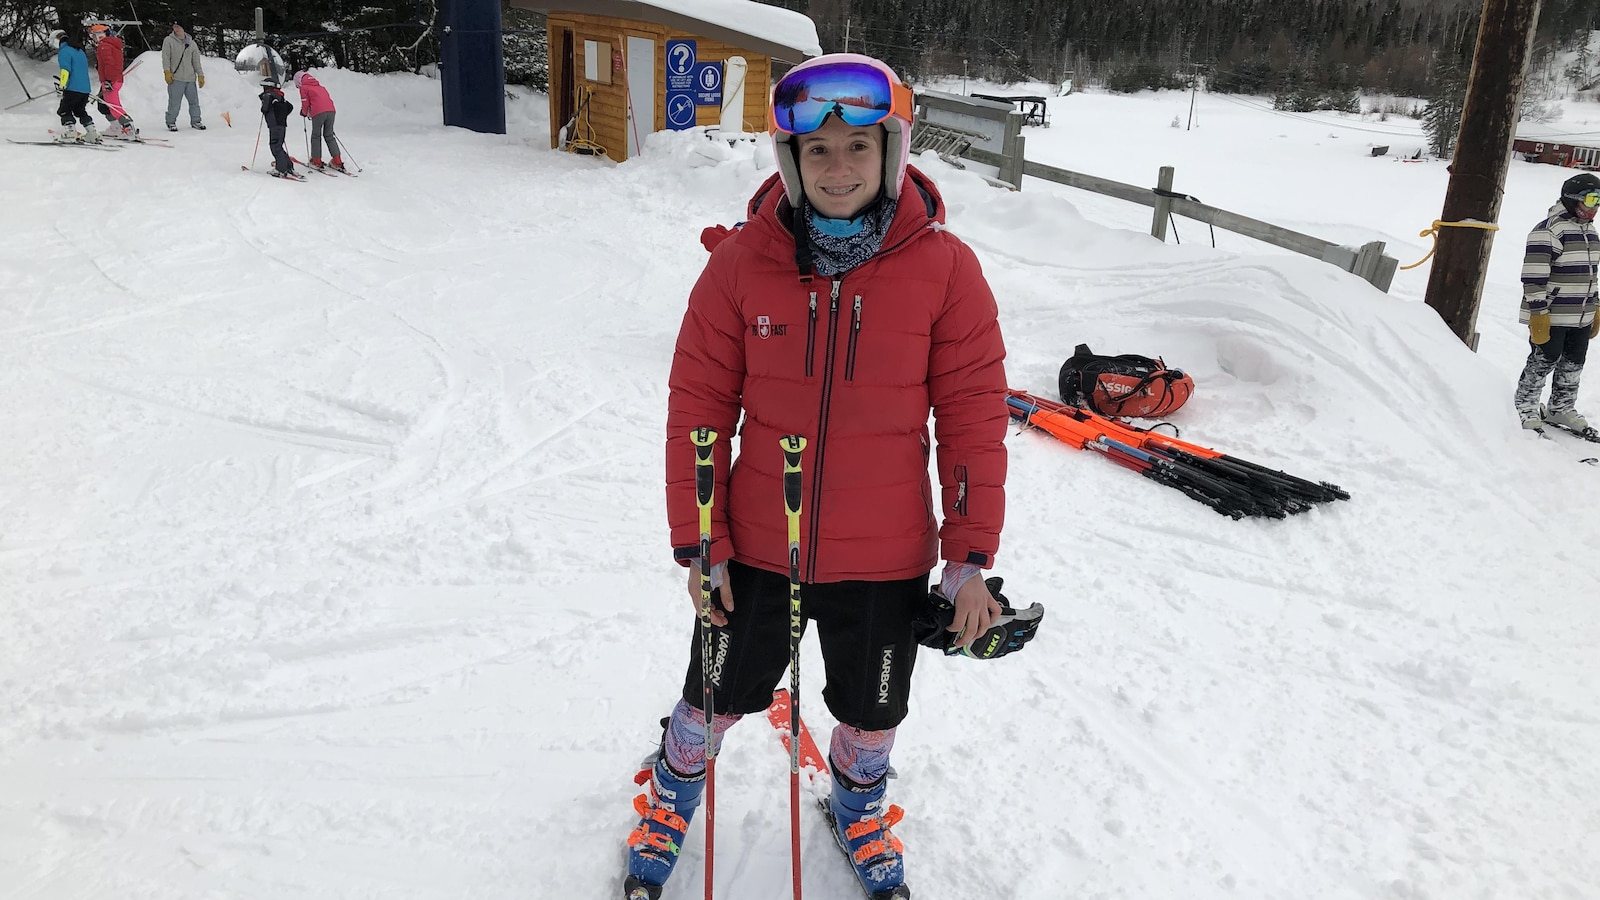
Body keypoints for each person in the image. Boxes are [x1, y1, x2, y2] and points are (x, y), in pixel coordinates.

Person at [624, 53, 1010, 900]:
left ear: (893, 152)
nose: (840, 169)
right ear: (790, 162)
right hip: (762, 543)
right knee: (714, 695)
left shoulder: (946, 271)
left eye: (859, 148)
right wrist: (701, 542)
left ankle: (859, 804)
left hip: (886, 556)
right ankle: (674, 789)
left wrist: (969, 555)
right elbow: (697, 409)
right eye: (819, 152)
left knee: (873, 714)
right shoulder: (739, 266)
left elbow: (975, 417)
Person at [1516, 172, 1600, 434]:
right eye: (1590, 199)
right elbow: (1533, 277)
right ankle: (1526, 404)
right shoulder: (1548, 230)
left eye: (1599, 200)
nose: (1595, 206)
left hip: (1581, 314)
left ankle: (1560, 408)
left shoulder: (1591, 232)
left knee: (1574, 361)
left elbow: (1591, 274)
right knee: (1544, 359)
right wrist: (1538, 312)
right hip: (1551, 314)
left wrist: (1596, 306)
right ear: (1572, 199)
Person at [88, 23, 136, 137]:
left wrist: (108, 80)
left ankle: (128, 127)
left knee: (113, 106)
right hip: (112, 79)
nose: (93, 39)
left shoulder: (105, 46)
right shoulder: (110, 44)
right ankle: (115, 127)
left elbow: (109, 63)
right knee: (102, 104)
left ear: (100, 35)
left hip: (110, 80)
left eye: (94, 36)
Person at [293, 69, 345, 171]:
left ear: (299, 81)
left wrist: (304, 112)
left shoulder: (304, 88)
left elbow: (305, 103)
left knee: (316, 136)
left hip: (318, 113)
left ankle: (316, 161)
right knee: (329, 135)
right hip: (331, 111)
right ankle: (337, 161)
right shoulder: (321, 87)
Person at [53, 28, 97, 144]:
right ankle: (92, 133)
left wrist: (62, 86)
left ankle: (70, 133)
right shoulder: (79, 50)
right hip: (85, 88)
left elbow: (65, 70)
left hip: (73, 88)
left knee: (64, 110)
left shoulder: (64, 52)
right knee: (80, 111)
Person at [161, 19, 205, 131]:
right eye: (174, 26)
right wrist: (167, 71)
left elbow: (196, 61)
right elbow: (166, 57)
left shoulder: (192, 43)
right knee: (174, 103)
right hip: (176, 78)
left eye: (178, 26)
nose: (176, 28)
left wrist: (200, 75)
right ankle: (171, 122)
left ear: (183, 28)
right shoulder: (168, 41)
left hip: (190, 78)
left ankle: (196, 121)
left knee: (194, 102)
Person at [259, 80, 298, 178]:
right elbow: (290, 107)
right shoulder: (280, 97)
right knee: (279, 146)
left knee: (275, 146)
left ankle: (281, 169)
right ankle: (288, 166)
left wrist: (266, 110)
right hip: (282, 125)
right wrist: (282, 116)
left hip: (274, 125)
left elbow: (265, 108)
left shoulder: (268, 95)